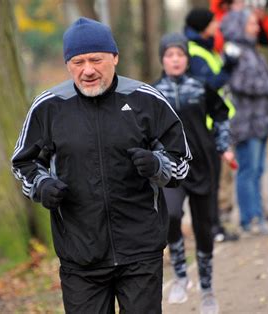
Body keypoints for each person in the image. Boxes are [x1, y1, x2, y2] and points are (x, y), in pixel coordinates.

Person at [11, 17, 191, 313]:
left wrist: (157, 165)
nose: (88, 70)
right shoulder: (49, 106)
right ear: (68, 64)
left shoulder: (145, 100)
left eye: (96, 59)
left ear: (115, 58)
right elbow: (24, 163)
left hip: (140, 250)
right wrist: (42, 186)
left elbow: (181, 160)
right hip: (80, 255)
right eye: (78, 61)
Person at [154, 32, 232, 313]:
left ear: (187, 59)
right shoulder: (153, 93)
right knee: (171, 215)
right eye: (169, 55)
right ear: (162, 59)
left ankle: (208, 288)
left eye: (180, 55)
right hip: (171, 167)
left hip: (203, 164)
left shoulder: (201, 88)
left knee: (204, 226)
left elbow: (222, 114)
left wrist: (223, 145)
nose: (175, 60)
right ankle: (180, 274)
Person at [221, 9, 268, 234]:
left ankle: (258, 218)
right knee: (247, 171)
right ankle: (249, 221)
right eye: (252, 23)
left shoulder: (252, 50)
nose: (256, 27)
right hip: (246, 122)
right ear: (240, 25)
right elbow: (244, 84)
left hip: (260, 121)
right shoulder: (235, 52)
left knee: (257, 171)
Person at [184, 8, 239, 242]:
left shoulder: (205, 47)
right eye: (212, 21)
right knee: (213, 179)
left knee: (220, 178)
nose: (216, 24)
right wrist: (229, 66)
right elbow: (209, 84)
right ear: (203, 25)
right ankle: (213, 228)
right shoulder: (195, 51)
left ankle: (215, 226)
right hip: (207, 126)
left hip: (218, 120)